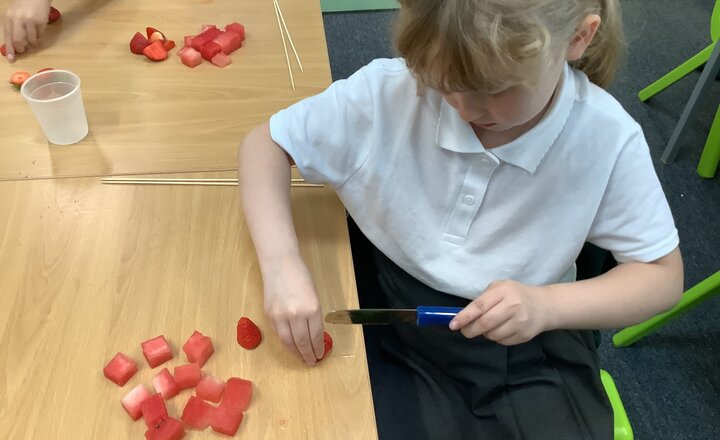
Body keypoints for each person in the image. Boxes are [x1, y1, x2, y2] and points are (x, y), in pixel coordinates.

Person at [239, 0, 684, 438]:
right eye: (443, 82)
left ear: (577, 38)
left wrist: (545, 307)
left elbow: (662, 278)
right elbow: (265, 145)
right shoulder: (392, 90)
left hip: (525, 334)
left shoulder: (608, 138)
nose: (465, 109)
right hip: (386, 300)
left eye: (494, 90)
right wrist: (281, 265)